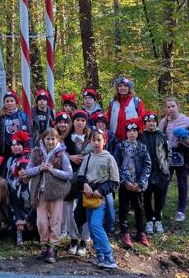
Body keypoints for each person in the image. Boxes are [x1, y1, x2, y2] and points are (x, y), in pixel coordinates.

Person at [25, 128, 73, 264]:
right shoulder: (36, 153)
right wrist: (39, 168)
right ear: (43, 139)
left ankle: (53, 247)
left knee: (55, 220)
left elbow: (69, 174)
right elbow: (28, 170)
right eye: (48, 139)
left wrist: (53, 170)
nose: (51, 141)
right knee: (41, 221)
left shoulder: (62, 154)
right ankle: (45, 245)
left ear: (58, 140)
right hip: (40, 192)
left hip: (56, 192)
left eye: (53, 139)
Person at [79, 129, 120, 269]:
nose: (96, 143)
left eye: (99, 140)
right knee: (91, 227)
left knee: (96, 225)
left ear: (105, 141)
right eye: (93, 140)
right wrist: (85, 185)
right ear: (90, 142)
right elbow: (81, 176)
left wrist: (100, 190)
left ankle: (109, 256)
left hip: (101, 198)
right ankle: (100, 255)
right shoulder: (87, 158)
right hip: (88, 197)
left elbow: (115, 181)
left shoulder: (109, 158)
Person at [158, 96, 189, 225]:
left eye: (173, 106)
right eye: (168, 107)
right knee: (164, 182)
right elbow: (158, 136)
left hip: (183, 154)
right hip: (168, 154)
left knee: (182, 183)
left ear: (177, 106)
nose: (171, 109)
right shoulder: (164, 121)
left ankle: (181, 211)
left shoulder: (185, 120)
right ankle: (159, 209)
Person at [114, 119, 151, 249]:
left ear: (137, 133)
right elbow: (115, 165)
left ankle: (141, 232)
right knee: (124, 208)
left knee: (139, 208)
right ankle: (125, 232)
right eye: (129, 131)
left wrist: (140, 182)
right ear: (126, 133)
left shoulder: (142, 147)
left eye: (134, 131)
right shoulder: (120, 147)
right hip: (125, 184)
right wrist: (124, 181)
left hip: (137, 185)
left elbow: (147, 165)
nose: (132, 133)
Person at [64, 110, 92, 256]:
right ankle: (73, 238)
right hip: (70, 178)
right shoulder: (66, 138)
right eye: (77, 120)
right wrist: (70, 157)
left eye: (83, 120)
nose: (80, 123)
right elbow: (58, 153)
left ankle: (84, 240)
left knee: (87, 207)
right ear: (73, 122)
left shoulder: (91, 137)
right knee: (69, 209)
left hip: (87, 178)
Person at [139, 113, 170, 235]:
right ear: (145, 123)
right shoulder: (141, 136)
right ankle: (149, 220)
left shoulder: (162, 135)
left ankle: (158, 219)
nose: (151, 123)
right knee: (146, 197)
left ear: (156, 123)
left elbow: (168, 152)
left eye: (153, 121)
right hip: (146, 172)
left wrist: (165, 167)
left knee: (159, 197)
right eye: (148, 121)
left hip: (160, 172)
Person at [90, 112, 116, 234]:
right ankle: (94, 226)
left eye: (103, 123)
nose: (101, 124)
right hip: (94, 179)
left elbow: (115, 149)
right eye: (98, 122)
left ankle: (110, 224)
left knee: (109, 202)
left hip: (107, 175)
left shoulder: (111, 136)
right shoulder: (92, 135)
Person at [0, 91, 31, 161]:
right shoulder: (0, 116)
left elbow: (29, 134)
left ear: (15, 102)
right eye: (7, 101)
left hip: (18, 150)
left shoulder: (22, 115)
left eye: (12, 101)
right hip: (2, 151)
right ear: (4, 103)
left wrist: (29, 149)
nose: (9, 103)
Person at [107, 75, 145, 141]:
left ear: (129, 88)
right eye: (120, 86)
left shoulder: (136, 101)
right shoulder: (112, 102)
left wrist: (131, 121)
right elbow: (108, 118)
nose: (122, 88)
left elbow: (142, 117)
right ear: (117, 88)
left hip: (131, 138)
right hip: (115, 138)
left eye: (125, 86)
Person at [9, 157, 36, 247]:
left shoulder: (35, 184)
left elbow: (36, 205)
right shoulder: (15, 185)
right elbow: (15, 204)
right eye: (20, 169)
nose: (22, 171)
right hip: (22, 212)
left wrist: (26, 220)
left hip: (34, 213)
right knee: (15, 223)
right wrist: (19, 219)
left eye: (25, 168)